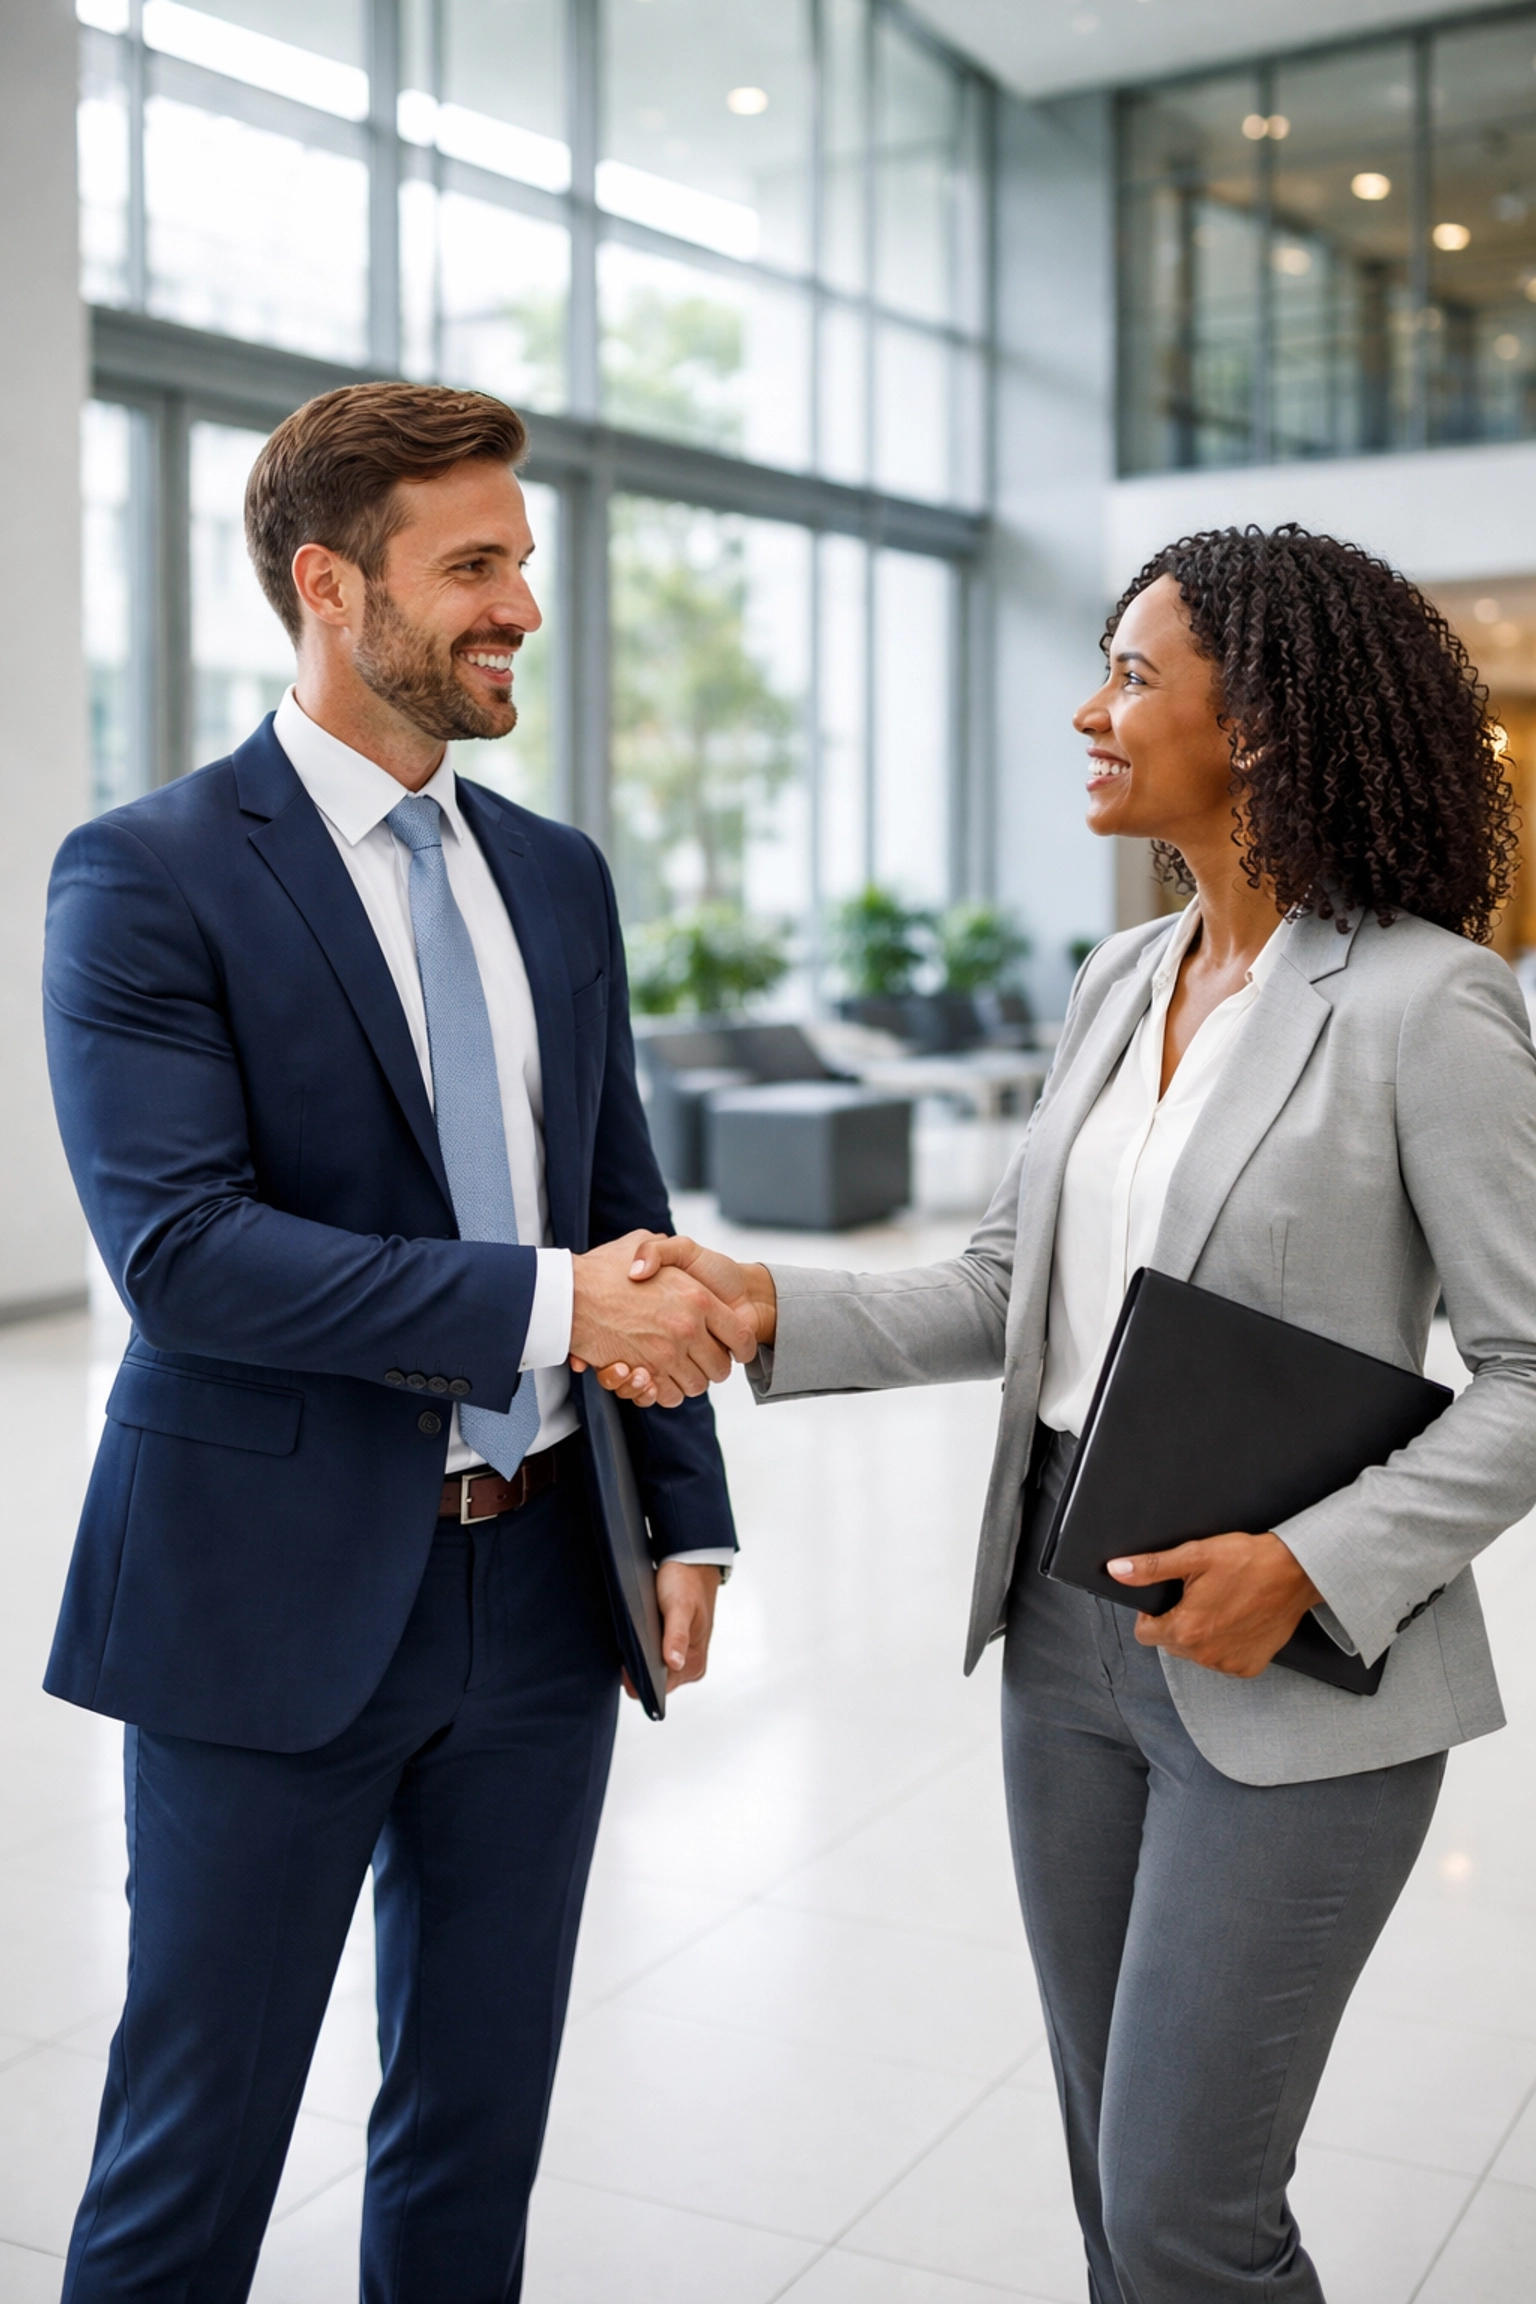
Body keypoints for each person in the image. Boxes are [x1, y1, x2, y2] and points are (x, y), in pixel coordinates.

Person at [594, 525, 1536, 2302]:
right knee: (1117, 2205)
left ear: (1254, 722)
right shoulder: (1123, 981)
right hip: (1061, 1635)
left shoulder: (1427, 1003)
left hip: (1295, 1679)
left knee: (1191, 2218)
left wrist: (1316, 1566)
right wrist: (763, 1300)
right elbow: (1005, 1285)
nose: (1088, 712)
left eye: (1130, 674)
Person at [42, 381, 756, 2302]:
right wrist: (541, 1306)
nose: (520, 600)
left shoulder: (560, 876)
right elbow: (184, 1255)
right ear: (328, 584)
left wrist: (680, 1513)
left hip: (538, 1588)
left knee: (474, 2131)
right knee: (192, 2153)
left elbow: (623, 1205)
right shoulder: (148, 871)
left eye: (523, 560)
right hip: (262, 1605)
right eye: (474, 566)